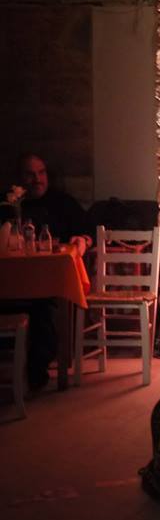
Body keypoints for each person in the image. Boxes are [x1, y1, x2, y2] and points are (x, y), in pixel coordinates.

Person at [1, 154, 94, 390]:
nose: (37, 179)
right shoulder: (8, 205)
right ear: (20, 179)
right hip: (10, 285)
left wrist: (83, 240)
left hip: (48, 282)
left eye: (41, 173)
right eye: (30, 174)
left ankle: (36, 371)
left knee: (43, 308)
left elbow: (87, 230)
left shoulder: (62, 202)